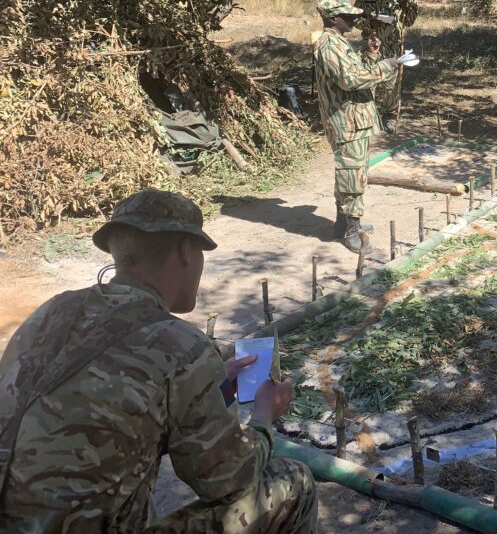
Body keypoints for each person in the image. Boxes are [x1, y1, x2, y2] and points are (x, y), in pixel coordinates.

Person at [0, 189, 316, 533]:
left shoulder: (50, 313)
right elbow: (229, 480)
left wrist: (211, 386)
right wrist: (264, 417)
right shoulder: (180, 346)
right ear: (185, 250)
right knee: (293, 482)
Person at [315, 0, 400, 253]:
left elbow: (358, 71)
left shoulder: (340, 43)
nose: (353, 19)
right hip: (345, 122)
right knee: (351, 175)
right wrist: (387, 66)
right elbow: (350, 80)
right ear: (333, 19)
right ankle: (351, 232)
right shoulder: (328, 45)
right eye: (348, 15)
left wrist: (374, 56)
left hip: (355, 121)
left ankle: (343, 224)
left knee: (353, 172)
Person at [355, 0, 418, 134]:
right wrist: (369, 23)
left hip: (392, 48)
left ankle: (389, 116)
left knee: (391, 85)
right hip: (371, 48)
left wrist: (411, 4)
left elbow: (409, 22)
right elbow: (354, 20)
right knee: (370, 81)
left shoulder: (397, 0)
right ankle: (369, 115)